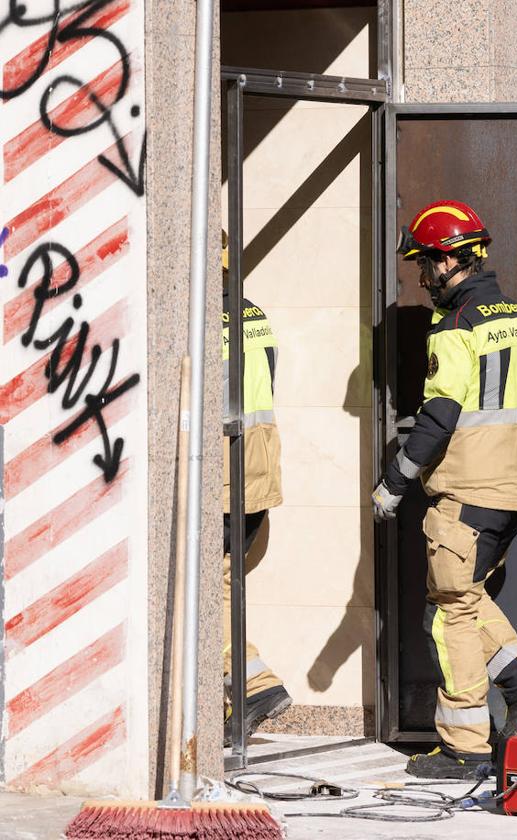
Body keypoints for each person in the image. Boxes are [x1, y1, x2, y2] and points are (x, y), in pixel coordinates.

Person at [372, 200, 517, 779]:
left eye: (426, 266)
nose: (423, 279)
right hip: (516, 492)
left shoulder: (455, 327)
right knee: (470, 595)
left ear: (451, 260)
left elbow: (438, 417)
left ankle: (464, 746)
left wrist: (394, 482)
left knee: (448, 612)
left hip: (467, 492)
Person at [221, 230, 291, 746]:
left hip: (223, 472)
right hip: (258, 469)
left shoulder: (198, 318)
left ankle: (254, 684)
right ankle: (248, 685)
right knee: (223, 586)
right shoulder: (253, 312)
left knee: (209, 592)